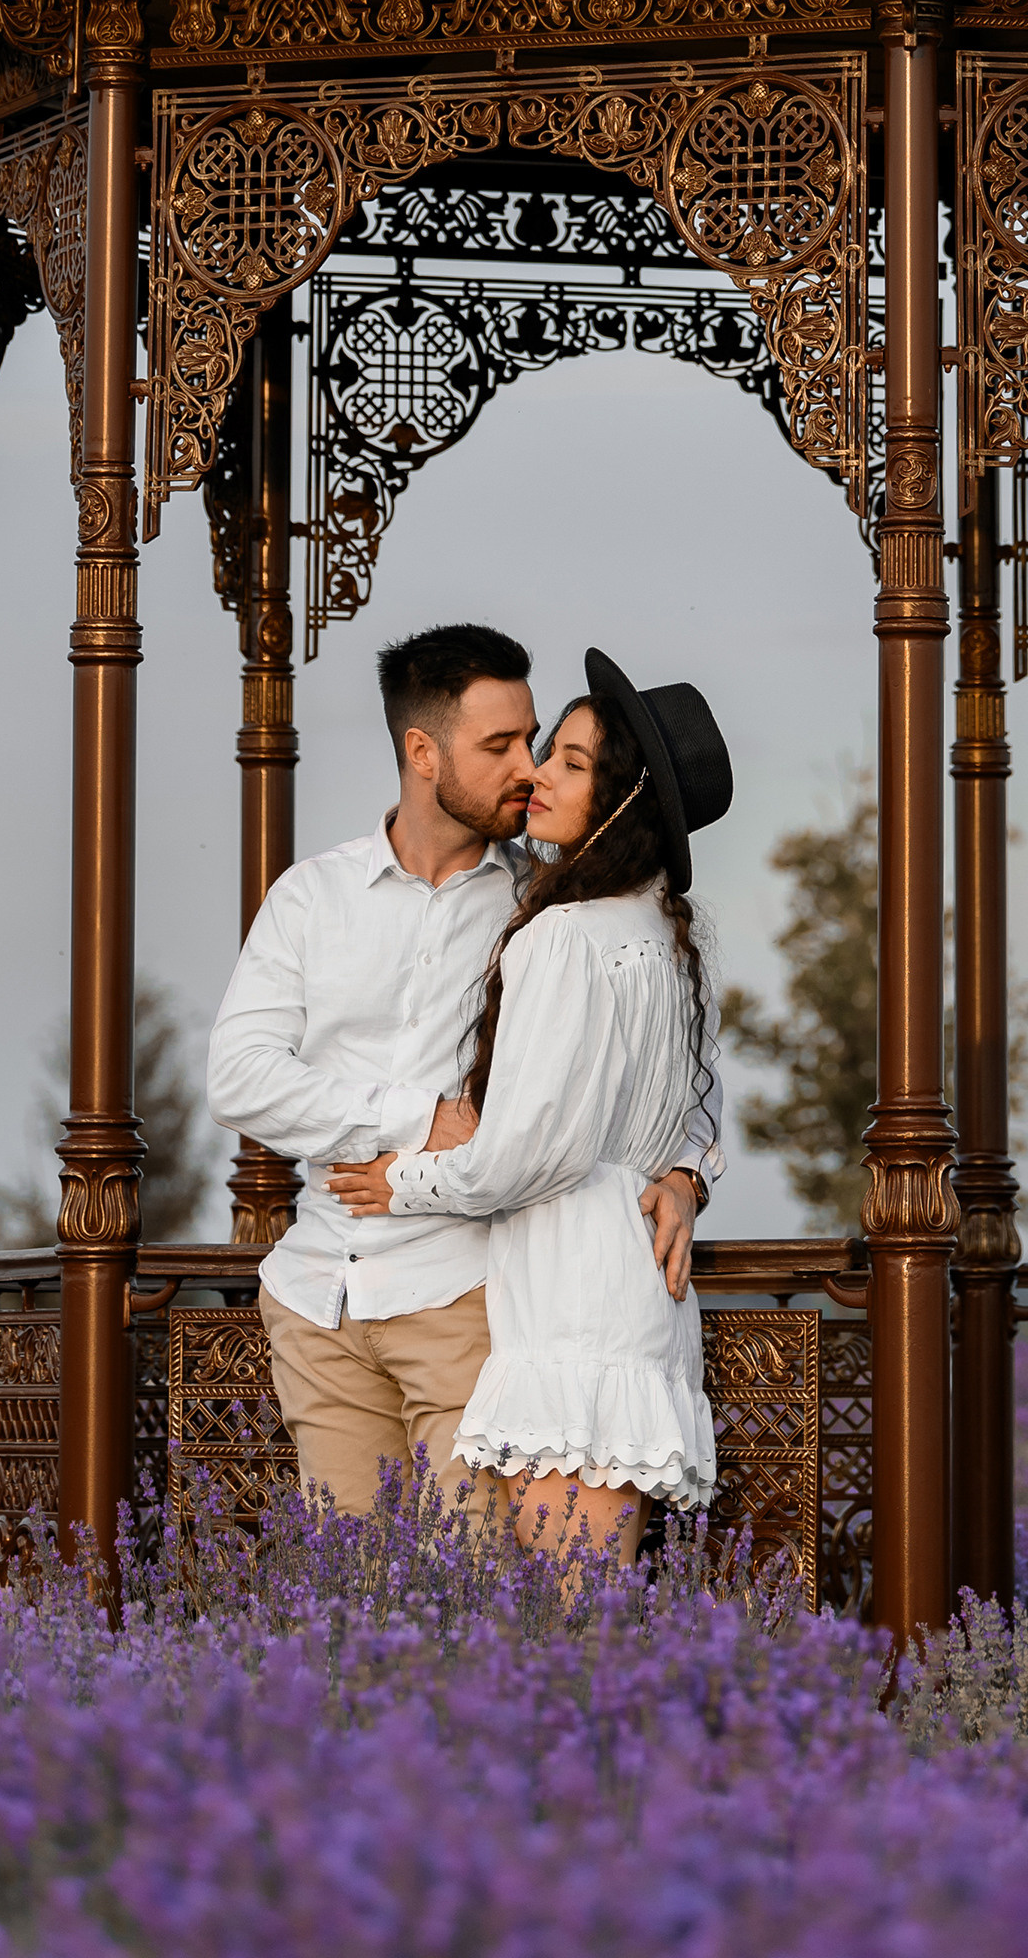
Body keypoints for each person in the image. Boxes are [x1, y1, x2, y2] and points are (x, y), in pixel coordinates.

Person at [206, 622, 709, 1518]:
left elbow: (676, 1066)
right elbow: (240, 1078)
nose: (528, 766)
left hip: (464, 1299)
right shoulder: (310, 897)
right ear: (423, 753)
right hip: (317, 1295)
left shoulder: (550, 908)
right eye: (503, 745)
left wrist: (682, 1174)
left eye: (538, 742)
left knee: (473, 1595)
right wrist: (415, 1117)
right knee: (349, 1608)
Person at [327, 647, 728, 1562]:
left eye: (573, 764)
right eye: (552, 751)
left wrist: (404, 1181)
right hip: (633, 1287)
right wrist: (682, 1176)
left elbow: (523, 1156)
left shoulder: (563, 937)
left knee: (568, 1623)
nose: (537, 774)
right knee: (588, 1609)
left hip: (571, 1302)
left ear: (624, 800)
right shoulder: (675, 934)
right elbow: (705, 1106)